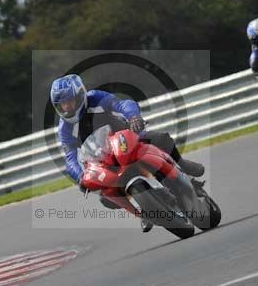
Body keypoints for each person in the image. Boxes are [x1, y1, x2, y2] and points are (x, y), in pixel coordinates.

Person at [50, 74, 205, 232]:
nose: (67, 107)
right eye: (62, 104)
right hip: (103, 160)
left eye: (70, 101)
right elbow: (70, 157)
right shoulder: (65, 129)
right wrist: (80, 177)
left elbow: (122, 104)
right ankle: (142, 211)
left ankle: (184, 166)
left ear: (80, 95)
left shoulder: (96, 98)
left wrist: (134, 117)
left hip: (125, 138)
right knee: (106, 197)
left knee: (161, 138)